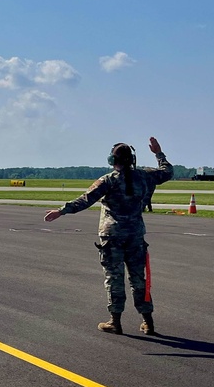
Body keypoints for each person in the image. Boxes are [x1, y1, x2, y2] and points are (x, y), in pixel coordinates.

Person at [44, 137, 174, 335]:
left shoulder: (109, 180)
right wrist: (158, 153)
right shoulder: (145, 176)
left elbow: (85, 200)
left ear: (113, 160)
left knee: (114, 278)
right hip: (135, 235)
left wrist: (62, 211)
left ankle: (115, 321)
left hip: (112, 236)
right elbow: (167, 172)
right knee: (139, 279)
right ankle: (148, 321)